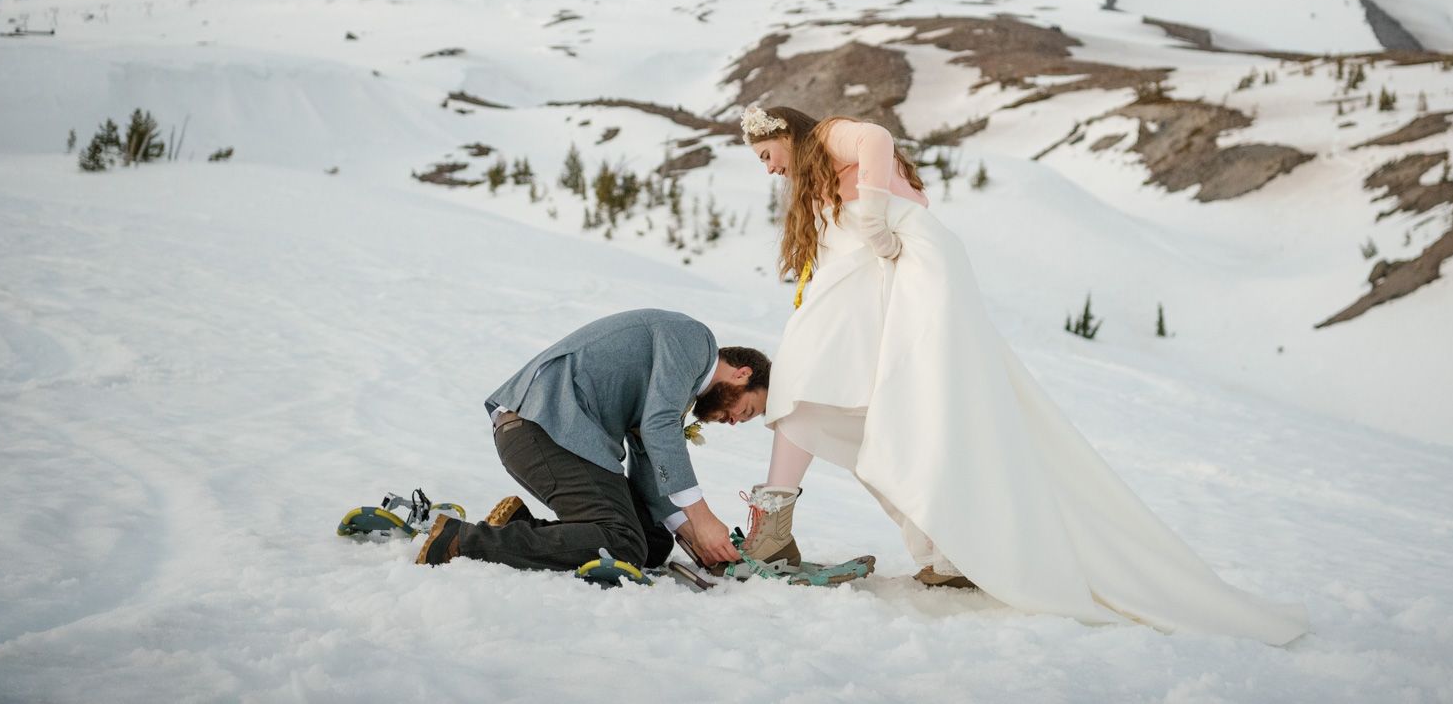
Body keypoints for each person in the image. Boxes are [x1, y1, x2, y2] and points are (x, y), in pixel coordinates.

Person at [737, 105, 1309, 645]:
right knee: (859, 406)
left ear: (787, 131)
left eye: (766, 153)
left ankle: (796, 530)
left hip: (910, 272)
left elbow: (877, 139)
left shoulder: (828, 135)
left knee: (837, 387)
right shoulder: (816, 176)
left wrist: (875, 218)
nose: (768, 167)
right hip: (879, 282)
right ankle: (938, 550)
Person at [415, 307, 771, 573]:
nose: (735, 422)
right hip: (544, 428)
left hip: (558, 437)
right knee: (623, 544)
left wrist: (688, 531)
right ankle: (462, 541)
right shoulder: (695, 340)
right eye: (748, 409)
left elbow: (650, 454)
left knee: (652, 541)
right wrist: (703, 518)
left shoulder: (677, 383)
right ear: (743, 374)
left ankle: (518, 532)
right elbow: (659, 427)